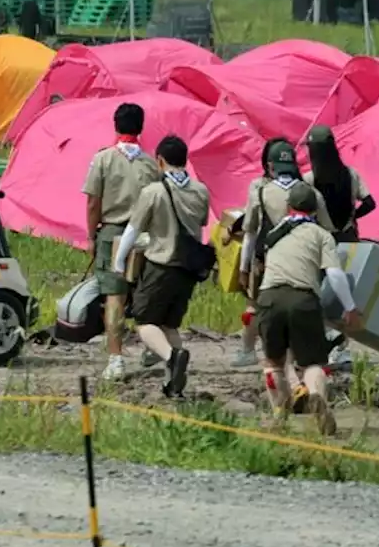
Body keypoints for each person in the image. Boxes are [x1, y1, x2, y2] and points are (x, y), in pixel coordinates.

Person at [257, 183, 362, 435]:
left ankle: (279, 417)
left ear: (288, 206)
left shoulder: (275, 233)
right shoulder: (321, 235)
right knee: (312, 363)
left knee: (273, 363)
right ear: (315, 209)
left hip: (269, 296)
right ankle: (317, 396)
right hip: (303, 299)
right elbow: (335, 274)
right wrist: (351, 307)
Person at [112, 135, 210, 398]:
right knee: (169, 325)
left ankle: (170, 357)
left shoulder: (153, 192)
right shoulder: (201, 191)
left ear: (159, 161)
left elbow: (133, 230)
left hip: (161, 265)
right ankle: (174, 383)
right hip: (189, 269)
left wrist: (119, 261)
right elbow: (199, 222)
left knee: (144, 321)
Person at [233, 139, 331, 368]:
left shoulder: (261, 191)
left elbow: (250, 233)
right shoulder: (311, 193)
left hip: (267, 261)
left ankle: (248, 351)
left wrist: (243, 268)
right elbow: (327, 228)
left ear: (270, 165)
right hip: (304, 260)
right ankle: (298, 356)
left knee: (254, 307)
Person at [82, 102, 161, 381]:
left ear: (115, 125)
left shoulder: (103, 159)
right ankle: (153, 346)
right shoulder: (151, 164)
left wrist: (91, 235)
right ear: (141, 127)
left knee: (114, 298)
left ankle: (116, 359)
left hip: (112, 233)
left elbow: (93, 201)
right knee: (144, 296)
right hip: (143, 237)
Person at [303, 125, 376, 244]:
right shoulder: (351, 173)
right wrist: (353, 217)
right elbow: (370, 203)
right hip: (349, 237)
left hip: (324, 240)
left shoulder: (308, 179)